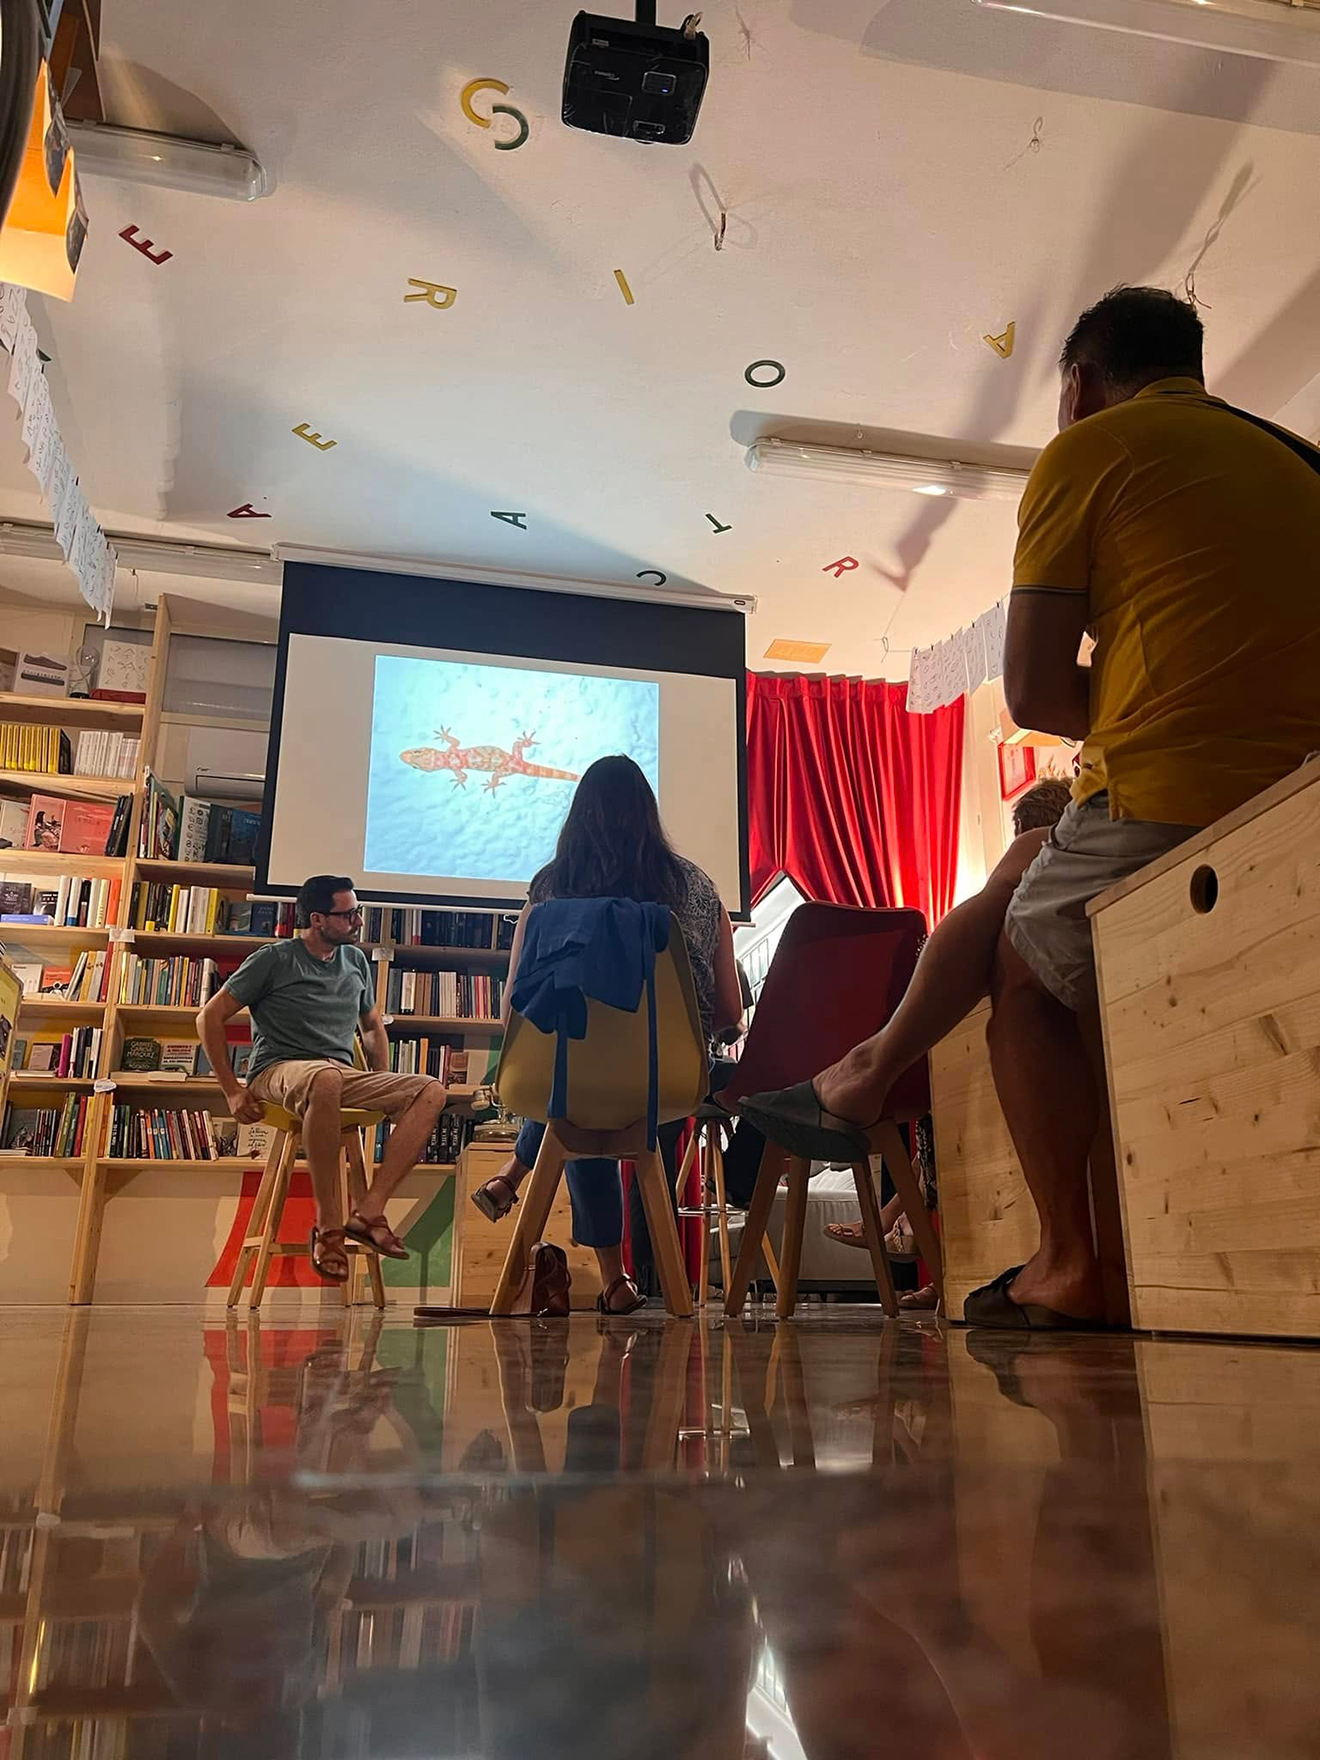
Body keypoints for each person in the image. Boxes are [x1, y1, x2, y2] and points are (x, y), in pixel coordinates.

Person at [741, 285, 1320, 1329]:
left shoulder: (1090, 451)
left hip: (1174, 795)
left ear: (1081, 384)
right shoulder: (1298, 459)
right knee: (1019, 867)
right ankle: (865, 1072)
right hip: (1300, 799)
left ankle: (1065, 1259)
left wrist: (1157, 705)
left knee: (1021, 962)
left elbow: (1038, 693)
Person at [471, 755, 743, 1314]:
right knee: (589, 1080)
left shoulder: (548, 891)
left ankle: (611, 1273)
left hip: (561, 1077)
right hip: (667, 1078)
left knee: (574, 1081)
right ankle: (620, 1280)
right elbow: (727, 1012)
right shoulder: (698, 889)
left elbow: (512, 1012)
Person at [805, 779, 1074, 1306]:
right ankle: (916, 1232)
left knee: (950, 1078)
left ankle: (906, 1219)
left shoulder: (1044, 858)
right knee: (948, 1079)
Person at [197, 874, 451, 1282]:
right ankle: (328, 1227)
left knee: (431, 1090)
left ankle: (368, 1212)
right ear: (317, 919)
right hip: (277, 1070)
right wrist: (231, 1090)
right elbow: (209, 1017)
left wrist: (382, 1084)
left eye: (357, 912)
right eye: (348, 915)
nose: (358, 922)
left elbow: (372, 1028)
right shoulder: (274, 959)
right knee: (326, 1077)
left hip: (337, 1073)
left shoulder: (356, 962)